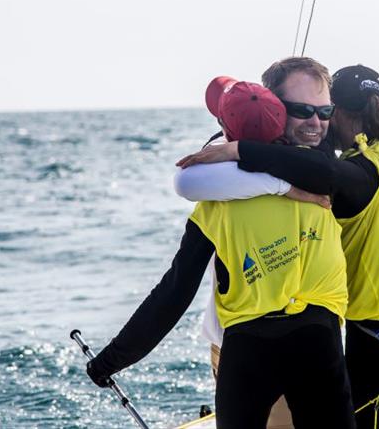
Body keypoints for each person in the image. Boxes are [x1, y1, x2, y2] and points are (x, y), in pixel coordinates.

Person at [177, 61, 379, 429]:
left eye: (324, 111)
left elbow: (330, 176)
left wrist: (254, 162)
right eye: (302, 110)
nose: (315, 122)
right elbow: (190, 182)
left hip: (346, 330)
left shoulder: (336, 169)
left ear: (336, 115)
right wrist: (274, 179)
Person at [86, 77, 356, 429]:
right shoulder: (320, 184)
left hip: (247, 348)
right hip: (318, 341)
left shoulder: (213, 205)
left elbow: (174, 292)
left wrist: (109, 361)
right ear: (279, 117)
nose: (316, 121)